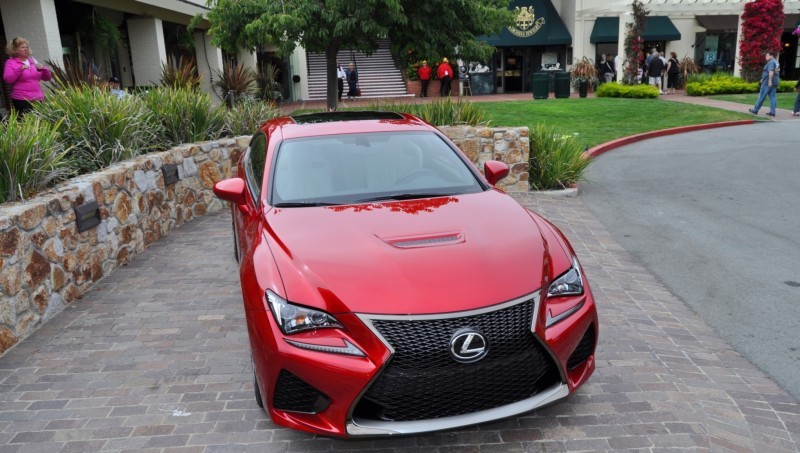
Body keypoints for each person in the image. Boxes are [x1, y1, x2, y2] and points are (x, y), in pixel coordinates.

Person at [3, 37, 52, 115]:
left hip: (38, 97)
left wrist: (44, 69)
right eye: (22, 47)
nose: (26, 49)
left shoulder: (32, 61)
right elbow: (8, 79)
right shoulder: (11, 62)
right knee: (29, 122)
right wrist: (19, 70)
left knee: (41, 122)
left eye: (27, 47)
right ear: (15, 50)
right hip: (22, 98)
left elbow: (47, 78)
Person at [749, 51, 779, 117]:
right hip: (775, 82)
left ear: (771, 56)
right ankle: (772, 112)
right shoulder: (776, 62)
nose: (766, 57)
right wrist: (763, 78)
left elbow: (771, 71)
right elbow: (776, 72)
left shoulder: (771, 62)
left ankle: (755, 110)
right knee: (772, 97)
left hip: (768, 83)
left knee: (761, 96)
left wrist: (769, 81)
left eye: (767, 56)